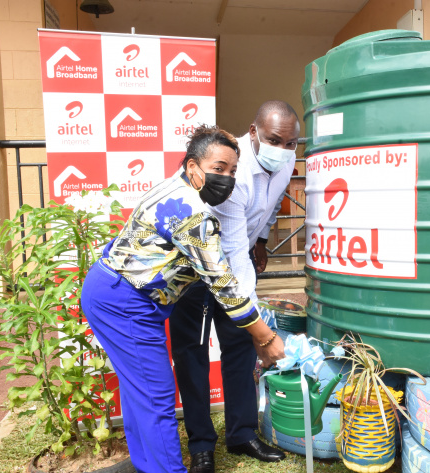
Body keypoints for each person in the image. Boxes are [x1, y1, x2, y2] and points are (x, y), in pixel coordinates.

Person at [80, 125, 285, 473]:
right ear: (193, 167)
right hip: (125, 303)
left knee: (140, 394)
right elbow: (222, 283)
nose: (227, 178)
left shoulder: (174, 186)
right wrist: (264, 336)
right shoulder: (191, 212)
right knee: (156, 399)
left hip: (113, 292)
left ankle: (147, 464)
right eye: (218, 168)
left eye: (233, 171)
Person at [169, 101, 300, 473]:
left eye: (292, 143)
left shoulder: (287, 157)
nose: (284, 149)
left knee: (240, 351)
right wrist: (255, 318)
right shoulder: (233, 174)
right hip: (196, 270)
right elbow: (231, 257)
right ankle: (201, 444)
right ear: (254, 132)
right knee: (192, 354)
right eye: (276, 140)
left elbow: (272, 205)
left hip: (237, 256)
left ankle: (242, 433)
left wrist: (261, 239)